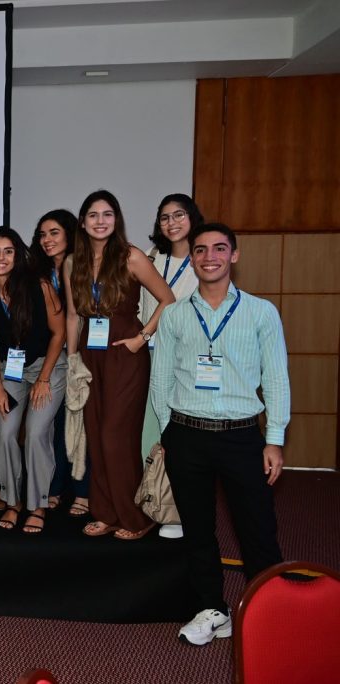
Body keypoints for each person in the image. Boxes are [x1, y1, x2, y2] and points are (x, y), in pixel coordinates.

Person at [149, 222, 288, 646]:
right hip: (186, 435)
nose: (210, 257)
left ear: (234, 255)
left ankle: (272, 613)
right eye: (201, 250)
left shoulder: (261, 312)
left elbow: (276, 379)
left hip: (241, 437)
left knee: (257, 530)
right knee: (198, 531)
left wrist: (275, 439)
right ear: (192, 258)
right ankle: (213, 609)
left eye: (219, 248)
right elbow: (161, 378)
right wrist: (166, 432)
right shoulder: (175, 315)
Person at [64, 190, 174, 539]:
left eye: (107, 214)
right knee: (96, 436)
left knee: (116, 438)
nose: (100, 221)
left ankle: (136, 516)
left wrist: (142, 337)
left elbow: (168, 300)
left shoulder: (132, 256)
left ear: (116, 220)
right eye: (93, 215)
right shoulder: (72, 262)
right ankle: (106, 512)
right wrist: (72, 359)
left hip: (126, 354)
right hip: (89, 357)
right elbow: (72, 316)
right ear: (83, 222)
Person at [0, 228, 66, 533]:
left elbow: (59, 333)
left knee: (37, 433)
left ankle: (37, 504)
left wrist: (43, 379)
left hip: (47, 366)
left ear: (18, 255)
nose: (0, 258)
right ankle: (12, 501)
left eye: (8, 251)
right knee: (5, 433)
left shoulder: (39, 286)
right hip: (10, 370)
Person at [140, 193, 204, 539]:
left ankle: (178, 513)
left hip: (185, 359)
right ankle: (155, 502)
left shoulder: (203, 259)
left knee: (181, 438)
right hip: (149, 354)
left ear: (192, 217)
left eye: (179, 215)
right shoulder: (153, 256)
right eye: (165, 217)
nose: (172, 222)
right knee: (149, 436)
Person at [29, 209, 89, 517]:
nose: (47, 240)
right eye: (42, 234)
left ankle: (83, 491)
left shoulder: (82, 266)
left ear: (69, 234)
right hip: (51, 358)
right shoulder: (36, 272)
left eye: (54, 233)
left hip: (82, 354)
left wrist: (76, 355)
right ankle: (54, 487)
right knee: (53, 426)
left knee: (79, 423)